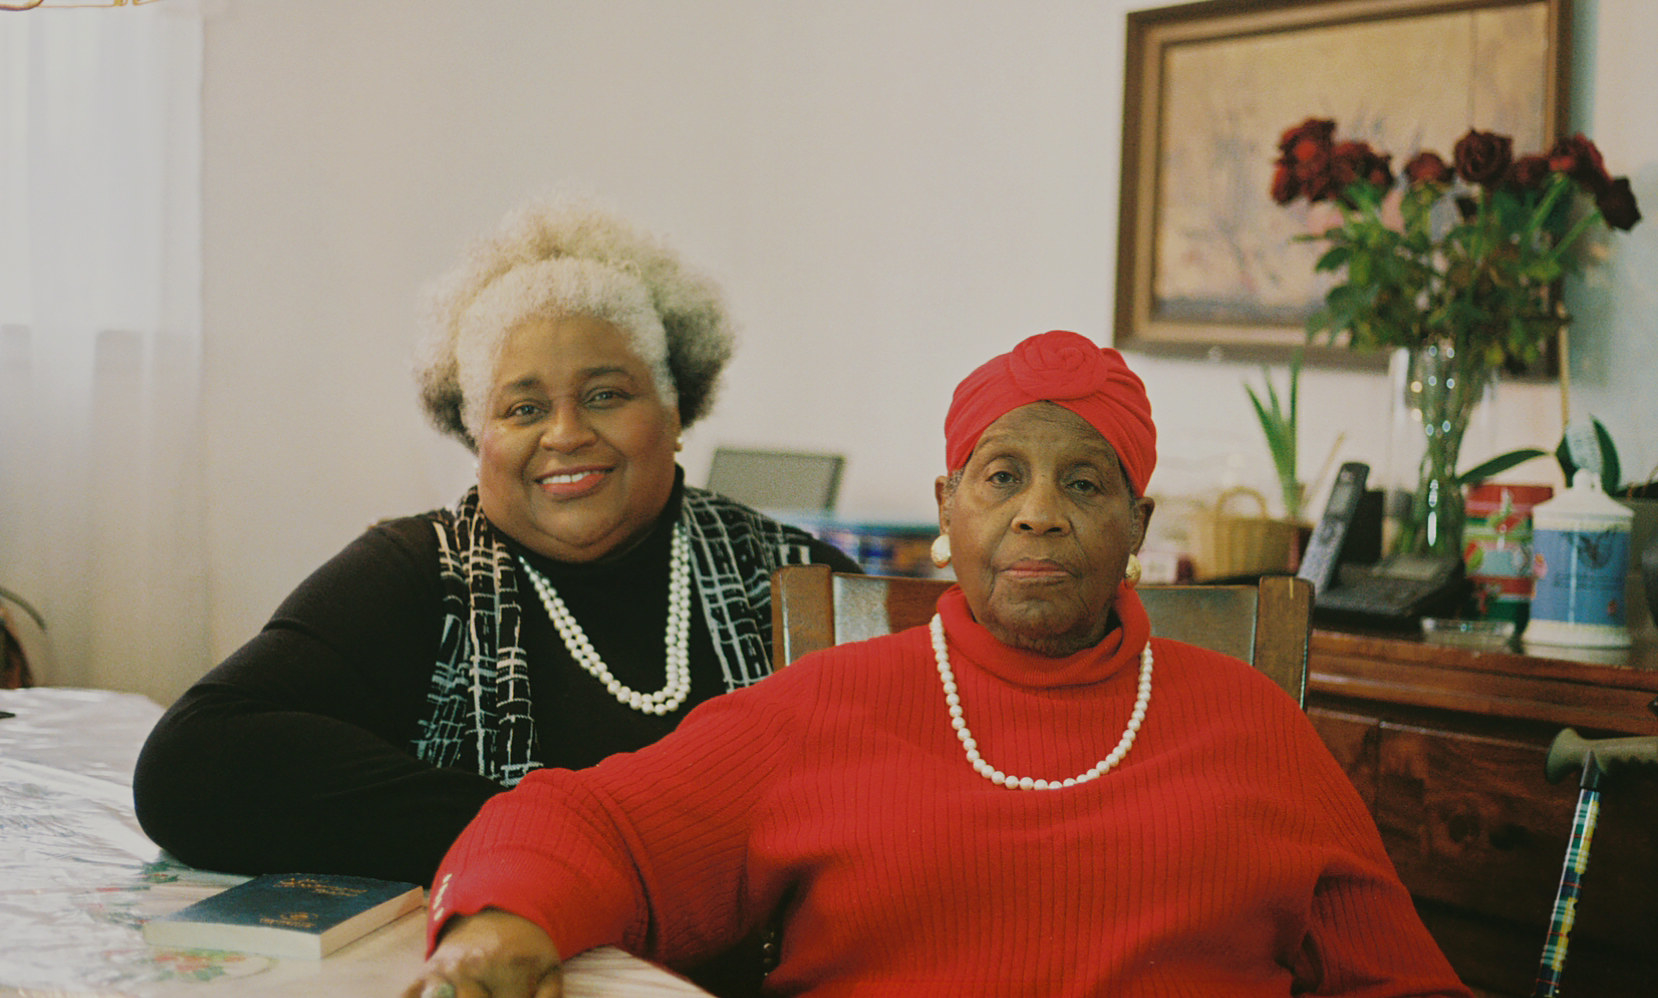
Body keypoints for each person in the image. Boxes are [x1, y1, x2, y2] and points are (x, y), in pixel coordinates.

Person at [403, 330, 1472, 998]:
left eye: (1085, 486)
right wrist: (502, 918)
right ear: (944, 510)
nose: (1039, 515)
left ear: (1138, 524)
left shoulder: (1248, 725)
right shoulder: (824, 706)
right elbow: (592, 822)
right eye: (999, 475)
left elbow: (1397, 978)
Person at [132, 198, 860, 890]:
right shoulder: (419, 572)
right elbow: (190, 766)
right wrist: (552, 838)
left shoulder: (799, 580)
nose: (566, 433)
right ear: (477, 437)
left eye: (606, 394)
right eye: (523, 408)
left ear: (674, 411)